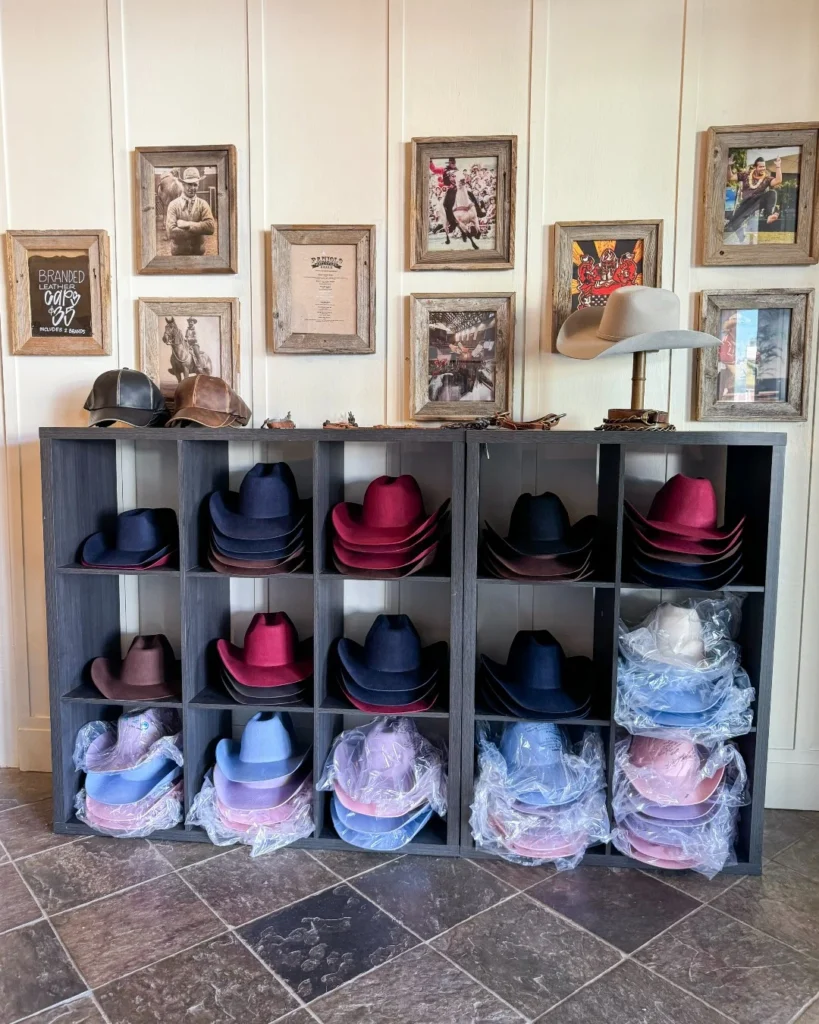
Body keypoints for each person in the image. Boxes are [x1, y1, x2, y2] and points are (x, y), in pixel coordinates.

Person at [724, 155, 783, 241]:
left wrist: (778, 166)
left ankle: (769, 215)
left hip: (758, 201)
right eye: (760, 167)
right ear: (755, 167)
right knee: (731, 225)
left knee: (772, 193)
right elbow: (731, 177)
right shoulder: (745, 175)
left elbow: (778, 180)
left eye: (764, 166)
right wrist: (729, 166)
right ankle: (741, 236)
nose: (763, 168)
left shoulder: (766, 179)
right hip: (745, 203)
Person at [165, 167, 215, 256]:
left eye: (195, 185)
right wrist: (199, 230)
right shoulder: (173, 205)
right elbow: (171, 232)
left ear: (198, 185)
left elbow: (210, 227)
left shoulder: (203, 204)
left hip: (198, 254)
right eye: (189, 184)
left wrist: (186, 224)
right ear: (183, 185)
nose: (192, 188)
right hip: (178, 254)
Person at [429, 157, 459, 233]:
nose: (453, 164)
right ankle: (449, 222)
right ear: (449, 163)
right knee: (443, 205)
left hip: (457, 189)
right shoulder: (444, 170)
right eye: (451, 163)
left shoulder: (457, 171)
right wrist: (430, 162)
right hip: (450, 191)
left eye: (454, 163)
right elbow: (434, 169)